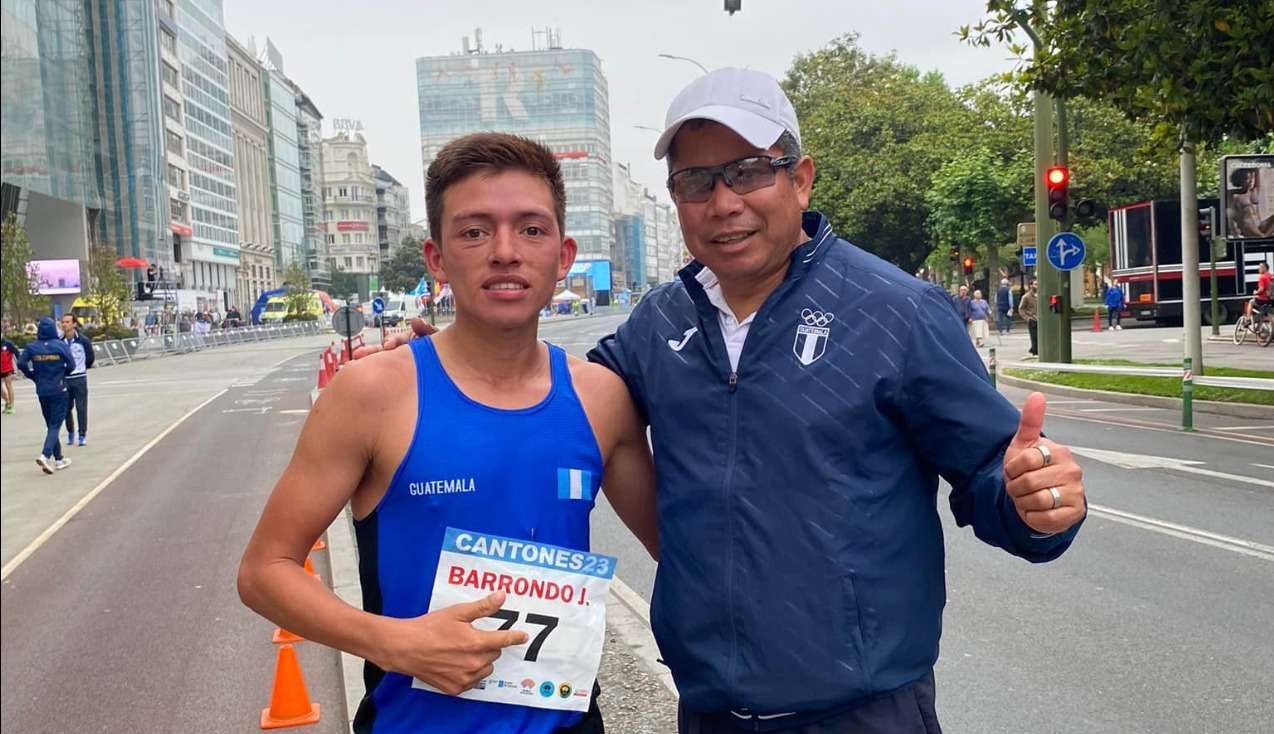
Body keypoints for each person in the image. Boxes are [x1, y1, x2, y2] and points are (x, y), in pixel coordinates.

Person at [370, 68, 1088, 733]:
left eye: (750, 171)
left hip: (864, 712)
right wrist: (455, 360)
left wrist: (1033, 501)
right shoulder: (659, 326)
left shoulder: (897, 313)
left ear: (800, 179)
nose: (725, 202)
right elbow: (556, 398)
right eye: (696, 181)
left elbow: (1000, 473)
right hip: (711, 710)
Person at [238, 132, 659, 734]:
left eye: (531, 229)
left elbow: (681, 548)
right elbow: (264, 570)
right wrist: (393, 643)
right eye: (475, 231)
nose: (505, 251)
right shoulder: (370, 394)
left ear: (563, 256)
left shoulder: (602, 397)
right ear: (436, 258)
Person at [17, 317, 74, 474]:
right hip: (59, 388)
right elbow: (71, 365)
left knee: (50, 425)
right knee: (55, 425)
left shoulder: (32, 347)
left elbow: (21, 363)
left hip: (42, 389)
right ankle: (45, 455)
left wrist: (33, 375)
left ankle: (59, 458)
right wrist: (62, 374)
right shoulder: (61, 346)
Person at [60, 314, 94, 445]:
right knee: (66, 408)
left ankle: (82, 435)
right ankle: (70, 432)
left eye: (67, 322)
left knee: (81, 408)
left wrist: (82, 368)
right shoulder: (59, 341)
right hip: (65, 379)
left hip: (79, 378)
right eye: (63, 322)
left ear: (74, 324)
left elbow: (90, 358)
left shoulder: (83, 340)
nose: (64, 325)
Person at [1020, 278, 1040, 357]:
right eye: (1035, 284)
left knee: (1041, 337)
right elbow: (1021, 308)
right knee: (1034, 336)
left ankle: (1035, 349)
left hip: (1041, 320)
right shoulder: (1026, 297)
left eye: (1038, 284)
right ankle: (1035, 352)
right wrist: (1027, 318)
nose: (1037, 286)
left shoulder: (1041, 294)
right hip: (1033, 319)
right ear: (1031, 285)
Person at [1, 332, 18, 415]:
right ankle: (7, 401)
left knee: (8, 385)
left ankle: (11, 406)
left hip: (7, 368)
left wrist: (20, 365)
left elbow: (17, 353)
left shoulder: (8, 343)